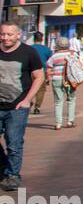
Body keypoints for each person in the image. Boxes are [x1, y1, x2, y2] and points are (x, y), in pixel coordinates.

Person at [0, 21, 45, 191]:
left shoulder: (29, 52)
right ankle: (4, 167)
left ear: (18, 35)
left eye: (9, 34)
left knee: (14, 142)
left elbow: (39, 77)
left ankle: (13, 176)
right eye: (3, 34)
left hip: (17, 107)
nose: (5, 38)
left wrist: (27, 99)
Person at [45, 37, 79, 130]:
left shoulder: (54, 56)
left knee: (58, 101)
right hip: (70, 79)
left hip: (56, 79)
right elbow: (78, 66)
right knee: (71, 99)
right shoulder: (73, 54)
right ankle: (70, 121)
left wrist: (48, 78)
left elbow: (48, 69)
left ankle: (58, 123)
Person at [30, 31, 52, 116]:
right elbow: (49, 64)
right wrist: (48, 77)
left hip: (30, 71)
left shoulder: (29, 48)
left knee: (29, 88)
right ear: (42, 39)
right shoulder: (47, 50)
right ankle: (37, 107)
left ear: (33, 39)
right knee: (41, 90)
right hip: (41, 71)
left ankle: (29, 102)